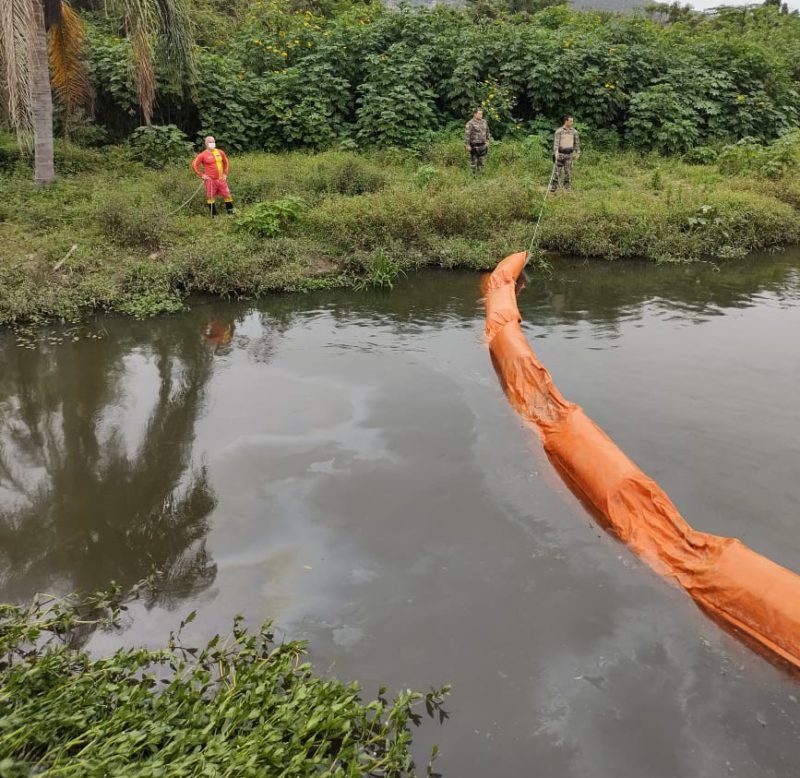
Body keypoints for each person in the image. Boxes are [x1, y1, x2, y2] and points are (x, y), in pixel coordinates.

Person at [192, 136, 235, 216]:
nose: (212, 143)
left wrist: (225, 174)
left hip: (221, 179)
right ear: (206, 143)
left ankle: (231, 213)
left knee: (227, 195)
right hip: (210, 180)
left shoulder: (220, 152)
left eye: (213, 142)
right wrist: (202, 175)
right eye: (210, 142)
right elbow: (194, 165)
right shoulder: (203, 155)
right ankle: (214, 216)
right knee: (210, 197)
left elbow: (226, 162)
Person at [550, 115, 581, 193]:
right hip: (560, 153)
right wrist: (556, 152)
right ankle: (554, 185)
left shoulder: (574, 132)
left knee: (568, 171)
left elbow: (577, 143)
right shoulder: (559, 131)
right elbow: (556, 143)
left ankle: (566, 186)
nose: (572, 122)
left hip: (569, 154)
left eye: (572, 121)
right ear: (566, 121)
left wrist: (578, 152)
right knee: (557, 171)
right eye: (570, 121)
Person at [464, 107, 491, 175]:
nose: (480, 115)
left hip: (483, 145)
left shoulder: (484, 122)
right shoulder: (470, 123)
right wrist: (467, 145)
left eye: (481, 114)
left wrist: (488, 141)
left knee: (482, 162)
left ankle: (480, 176)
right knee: (474, 163)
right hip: (474, 145)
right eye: (479, 114)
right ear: (475, 114)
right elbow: (467, 135)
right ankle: (474, 177)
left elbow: (487, 132)